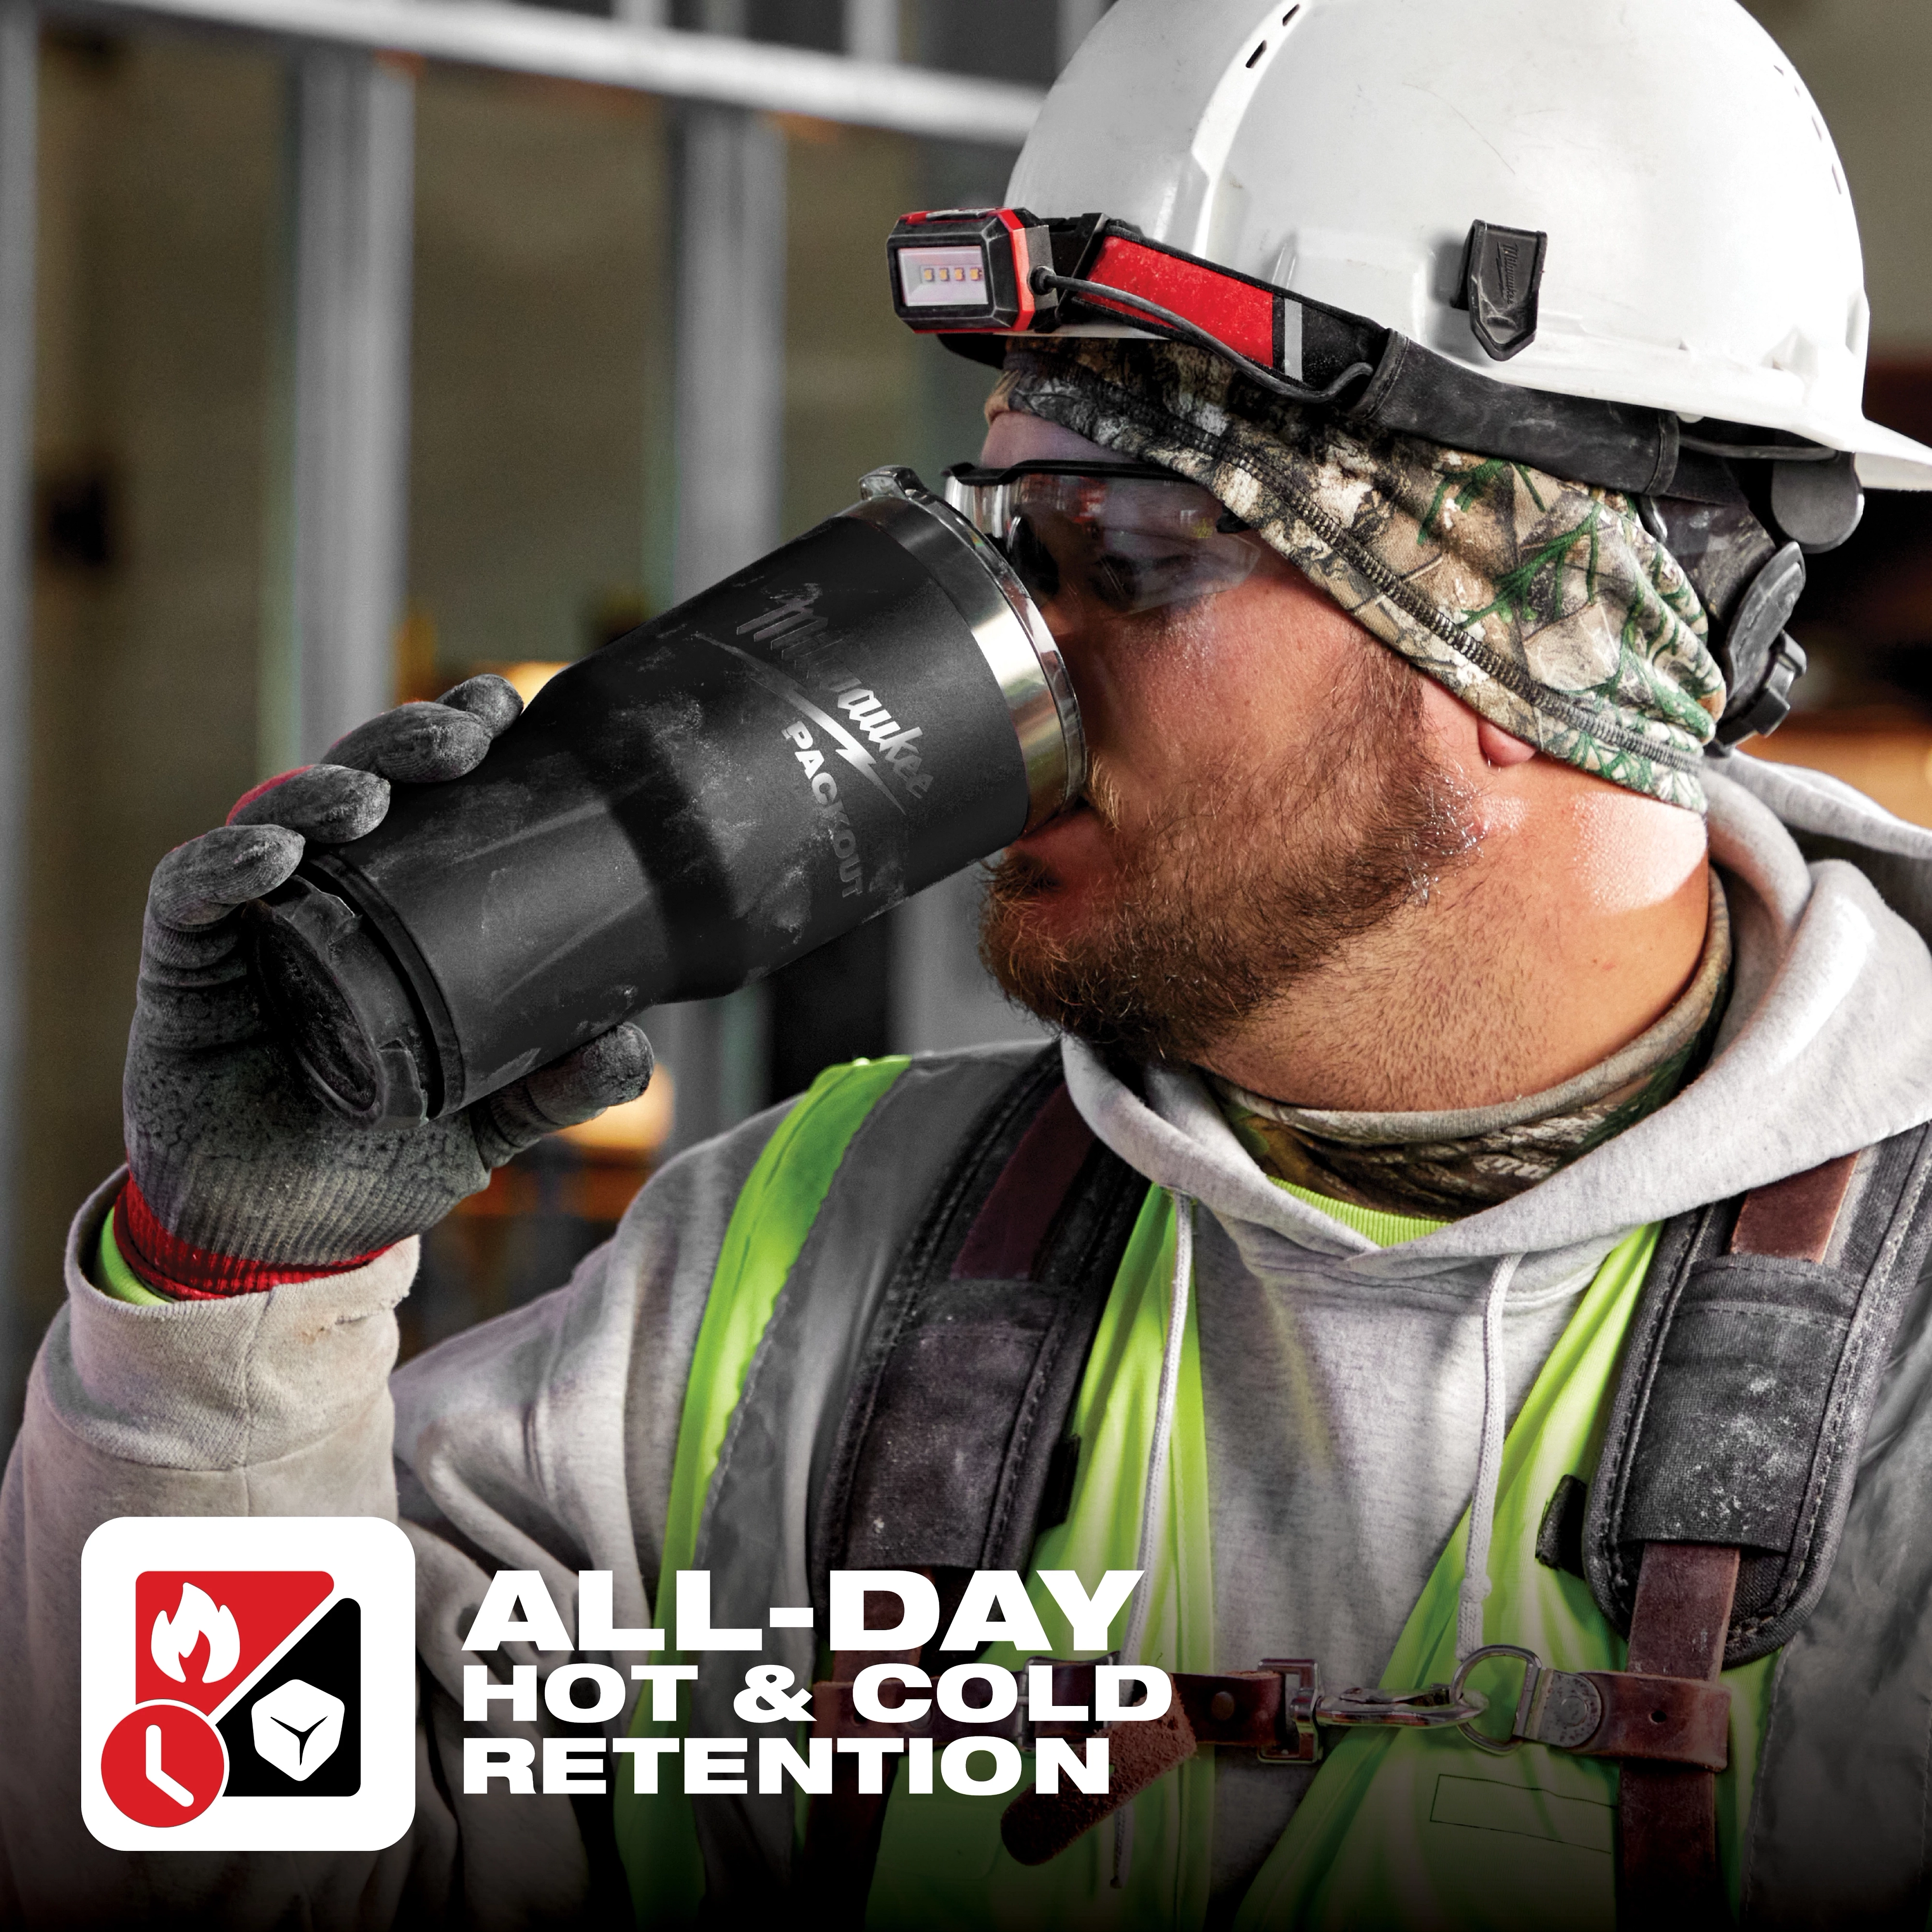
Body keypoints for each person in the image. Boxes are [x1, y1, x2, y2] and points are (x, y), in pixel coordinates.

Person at [9, 0, 1932, 1924]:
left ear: (1532, 635)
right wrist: (227, 1304)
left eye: (1134, 552)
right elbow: (225, 1867)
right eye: (1000, 540)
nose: (1006, 665)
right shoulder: (797, 1271)